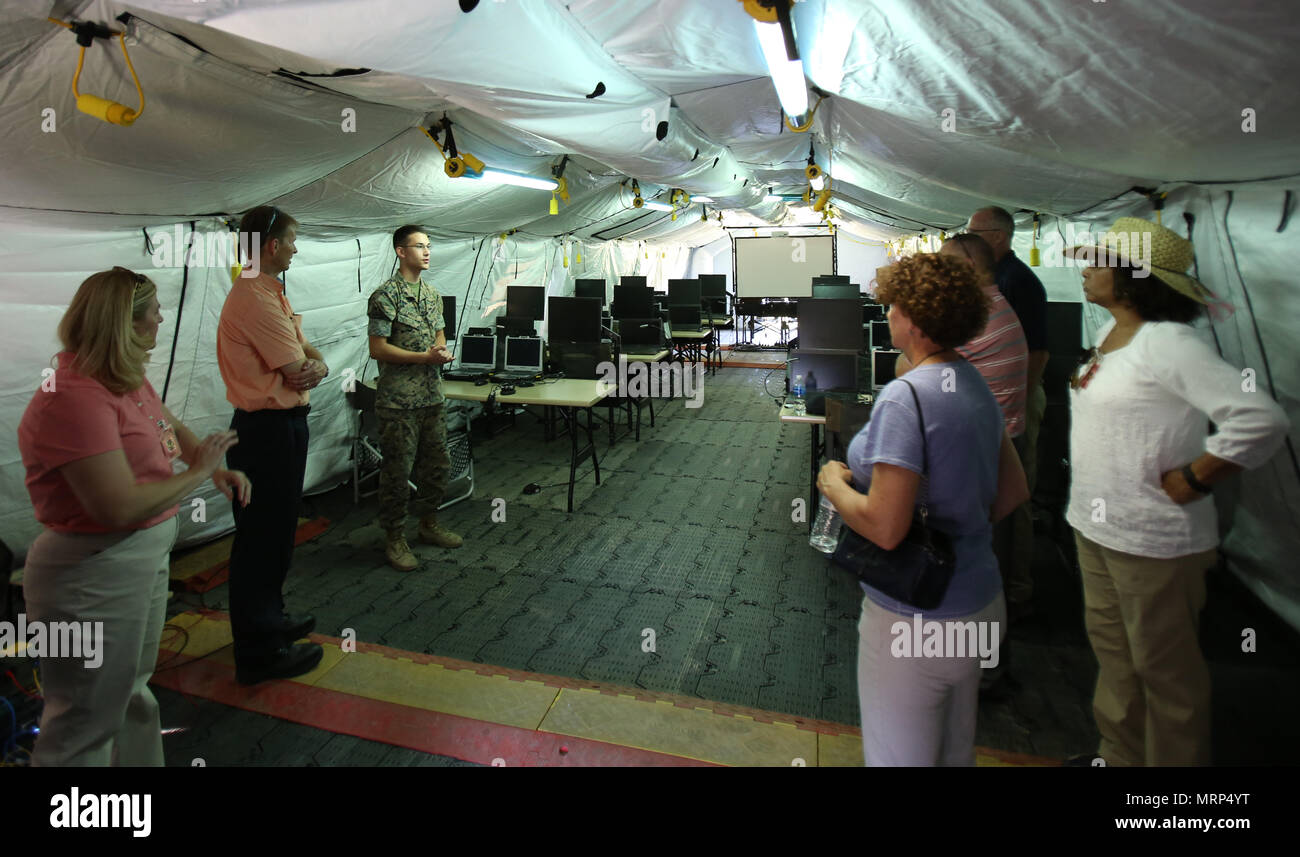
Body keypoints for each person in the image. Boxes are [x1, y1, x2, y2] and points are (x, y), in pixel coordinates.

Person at [1063, 217, 1288, 766]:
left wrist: (1195, 477)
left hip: (1154, 540)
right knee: (1116, 661)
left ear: (1134, 277)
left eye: (1101, 262)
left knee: (1165, 674)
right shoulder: (1110, 335)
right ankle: (1119, 758)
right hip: (1098, 529)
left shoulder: (1168, 343)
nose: (1088, 269)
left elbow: (1260, 417)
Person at [17, 267, 250, 765]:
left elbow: (164, 423)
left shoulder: (119, 377)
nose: (162, 319)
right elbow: (116, 506)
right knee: (85, 717)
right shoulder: (74, 396)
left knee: (130, 693)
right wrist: (198, 472)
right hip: (93, 571)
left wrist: (209, 468)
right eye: (154, 313)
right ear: (126, 324)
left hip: (132, 559)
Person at [818, 253, 1029, 766]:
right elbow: (1014, 490)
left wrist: (833, 485)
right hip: (979, 602)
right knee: (954, 754)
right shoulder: (971, 380)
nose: (886, 313)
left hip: (915, 617)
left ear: (912, 319)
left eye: (892, 306)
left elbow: (887, 530)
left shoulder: (903, 400)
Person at [217, 205, 326, 685]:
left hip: (280, 427)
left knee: (277, 533)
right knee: (261, 539)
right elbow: (295, 366)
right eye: (293, 240)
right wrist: (310, 365)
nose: (296, 249)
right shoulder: (255, 299)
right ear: (272, 246)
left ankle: (271, 621)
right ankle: (259, 653)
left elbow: (311, 356)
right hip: (266, 431)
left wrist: (315, 365)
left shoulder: (268, 291)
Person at [367, 225, 462, 571]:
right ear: (400, 251)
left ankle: (429, 524)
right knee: (397, 471)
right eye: (419, 246)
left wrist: (440, 352)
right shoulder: (385, 296)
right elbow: (377, 349)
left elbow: (439, 336)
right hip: (399, 402)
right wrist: (424, 358)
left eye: (429, 246)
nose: (427, 252)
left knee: (437, 467)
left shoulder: (432, 294)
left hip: (431, 396)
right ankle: (395, 538)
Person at [968, 206, 1046, 621]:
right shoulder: (999, 279)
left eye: (974, 231)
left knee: (1015, 496)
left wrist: (1019, 398)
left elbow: (1038, 351)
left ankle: (1016, 586)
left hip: (1016, 402)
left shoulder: (1018, 283)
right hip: (1000, 406)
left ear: (997, 236)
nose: (969, 235)